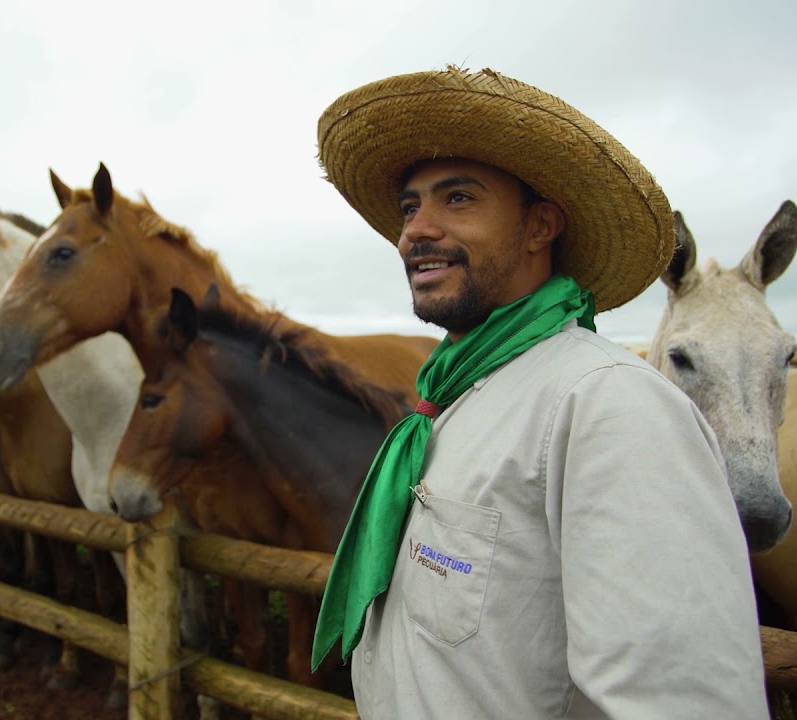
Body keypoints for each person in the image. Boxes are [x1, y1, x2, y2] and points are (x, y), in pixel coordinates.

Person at [311, 67, 768, 719]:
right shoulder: (453, 398)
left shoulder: (611, 407)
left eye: (458, 198)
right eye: (411, 205)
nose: (415, 229)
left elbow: (678, 701)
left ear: (539, 227)